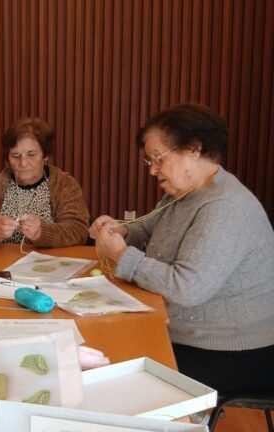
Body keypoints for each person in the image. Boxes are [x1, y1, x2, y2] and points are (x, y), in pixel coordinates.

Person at [90, 103, 274, 396]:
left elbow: (186, 288)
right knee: (102, 347)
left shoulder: (225, 206)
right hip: (191, 334)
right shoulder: (185, 194)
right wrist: (122, 229)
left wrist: (121, 255)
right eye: (149, 161)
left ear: (193, 149)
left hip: (231, 351)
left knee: (113, 371)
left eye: (158, 159)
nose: (153, 170)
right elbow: (149, 228)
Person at [0, 118, 90, 247]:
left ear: (45, 156)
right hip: (3, 262)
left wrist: (42, 232)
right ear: (8, 158)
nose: (23, 163)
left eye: (31, 154)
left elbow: (79, 231)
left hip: (49, 263)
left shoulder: (64, 184)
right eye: (16, 156)